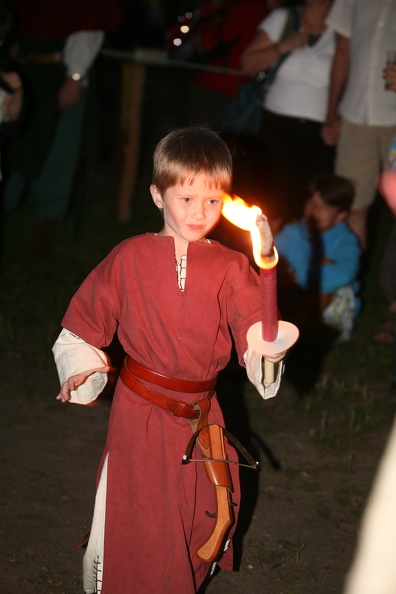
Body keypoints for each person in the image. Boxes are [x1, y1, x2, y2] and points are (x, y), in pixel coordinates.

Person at [52, 126, 290, 594]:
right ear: (157, 195)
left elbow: (255, 331)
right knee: (144, 517)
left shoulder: (231, 266)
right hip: (139, 415)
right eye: (186, 199)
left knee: (194, 515)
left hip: (201, 416)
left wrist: (265, 336)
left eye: (212, 201)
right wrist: (82, 363)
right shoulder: (129, 256)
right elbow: (84, 321)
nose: (200, 213)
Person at [2, 0, 122, 256]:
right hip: (25, 70)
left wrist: (76, 75)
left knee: (57, 150)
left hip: (60, 75)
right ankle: (8, 207)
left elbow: (86, 23)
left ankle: (46, 224)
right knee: (15, 143)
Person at [240, 0, 336, 232]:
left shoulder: (343, 29)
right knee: (270, 202)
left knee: (304, 206)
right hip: (277, 125)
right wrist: (283, 46)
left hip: (319, 131)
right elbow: (247, 63)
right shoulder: (284, 19)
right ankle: (260, 262)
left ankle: (293, 265)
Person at [321, 0, 396, 249]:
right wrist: (331, 113)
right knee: (351, 208)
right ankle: (348, 287)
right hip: (356, 115)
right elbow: (343, 51)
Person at [274, 173, 361, 342]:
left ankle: (294, 341)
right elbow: (269, 259)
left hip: (332, 314)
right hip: (294, 298)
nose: (315, 210)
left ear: (341, 216)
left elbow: (344, 274)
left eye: (325, 207)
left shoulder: (346, 241)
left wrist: (298, 276)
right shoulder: (293, 232)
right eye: (313, 202)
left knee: (324, 281)